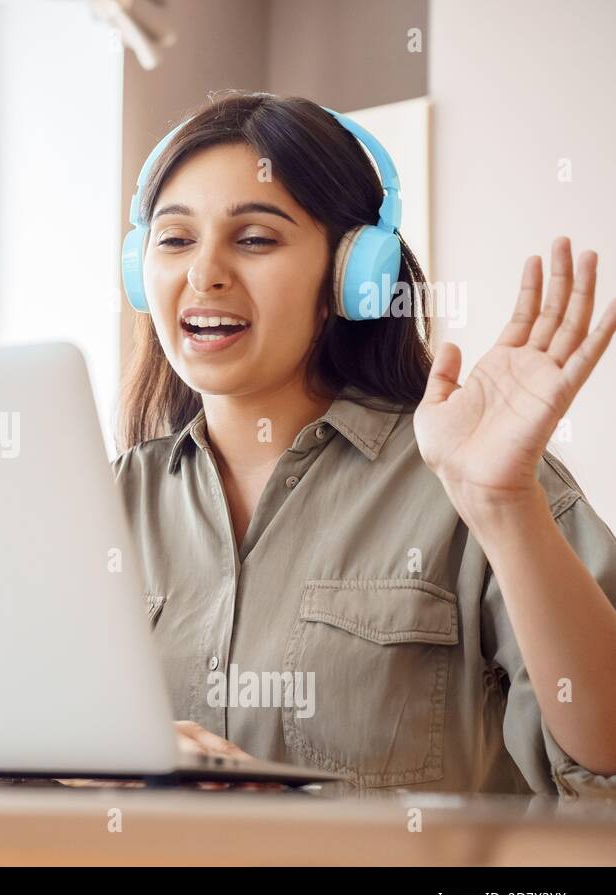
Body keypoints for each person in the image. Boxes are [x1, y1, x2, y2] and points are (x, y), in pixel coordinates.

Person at [113, 90, 616, 797]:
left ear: (352, 277)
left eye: (255, 238)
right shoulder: (101, 505)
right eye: (175, 239)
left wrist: (504, 506)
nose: (205, 274)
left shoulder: (474, 479)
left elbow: (606, 762)